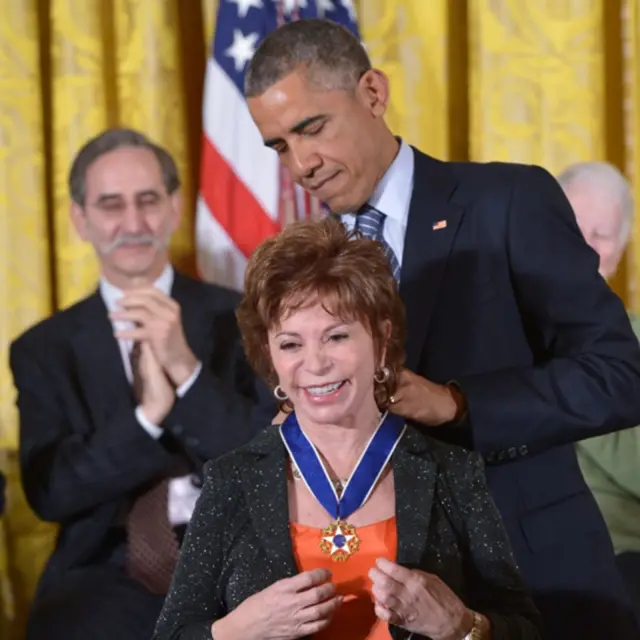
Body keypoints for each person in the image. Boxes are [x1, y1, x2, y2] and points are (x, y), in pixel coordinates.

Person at [241, 18, 640, 639]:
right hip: (371, 596)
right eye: (279, 147)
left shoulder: (506, 202)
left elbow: (620, 375)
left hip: (533, 578)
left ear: (373, 93)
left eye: (311, 128)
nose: (302, 164)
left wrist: (457, 403)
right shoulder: (298, 265)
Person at [155, 217, 542, 640]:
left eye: (336, 337)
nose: (316, 363)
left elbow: (524, 629)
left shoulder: (453, 472)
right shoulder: (231, 480)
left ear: (381, 339)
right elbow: (173, 633)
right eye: (291, 344)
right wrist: (236, 631)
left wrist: (461, 626)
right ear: (271, 357)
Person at [9, 128, 275, 640]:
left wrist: (186, 371)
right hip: (103, 572)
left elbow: (268, 457)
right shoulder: (43, 349)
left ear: (174, 208)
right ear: (80, 219)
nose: (133, 223)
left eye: (148, 201)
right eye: (111, 205)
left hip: (235, 558)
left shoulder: (241, 317)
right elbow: (50, 491)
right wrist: (147, 419)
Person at [558, 160, 640, 622]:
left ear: (621, 248)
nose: (585, 248)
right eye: (573, 227)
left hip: (620, 554)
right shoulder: (500, 331)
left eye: (602, 235)